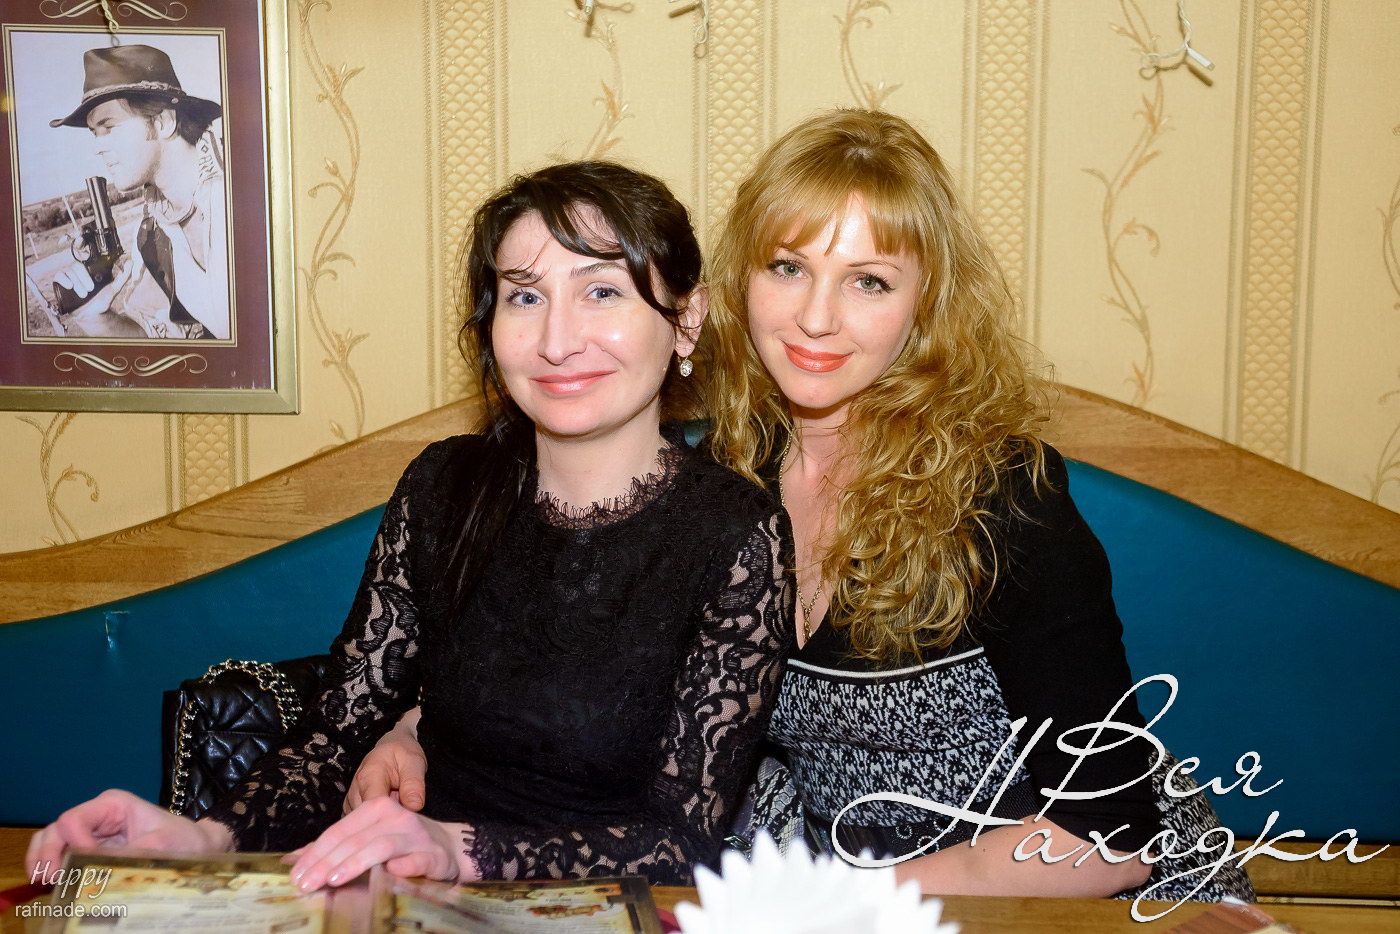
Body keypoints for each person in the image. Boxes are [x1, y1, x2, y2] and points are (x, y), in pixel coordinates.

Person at [345, 110, 1253, 904]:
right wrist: (415, 730)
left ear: (925, 308)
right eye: (788, 267)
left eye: (869, 281)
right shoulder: (724, 477)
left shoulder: (1001, 497)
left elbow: (1112, 835)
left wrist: (837, 900)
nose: (817, 318)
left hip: (1062, 891)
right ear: (738, 284)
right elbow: (582, 677)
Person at [27, 161, 794, 889]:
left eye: (601, 292)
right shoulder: (444, 487)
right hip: (413, 900)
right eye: (525, 297)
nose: (557, 341)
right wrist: (205, 837)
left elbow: (680, 842)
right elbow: (336, 736)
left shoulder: (734, 533)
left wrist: (457, 850)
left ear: (686, 320)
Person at [49, 44, 229, 340]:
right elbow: (160, 343)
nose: (98, 148)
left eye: (109, 127)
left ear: (163, 122)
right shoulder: (150, 237)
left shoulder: (247, 194)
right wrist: (96, 319)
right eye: (95, 133)